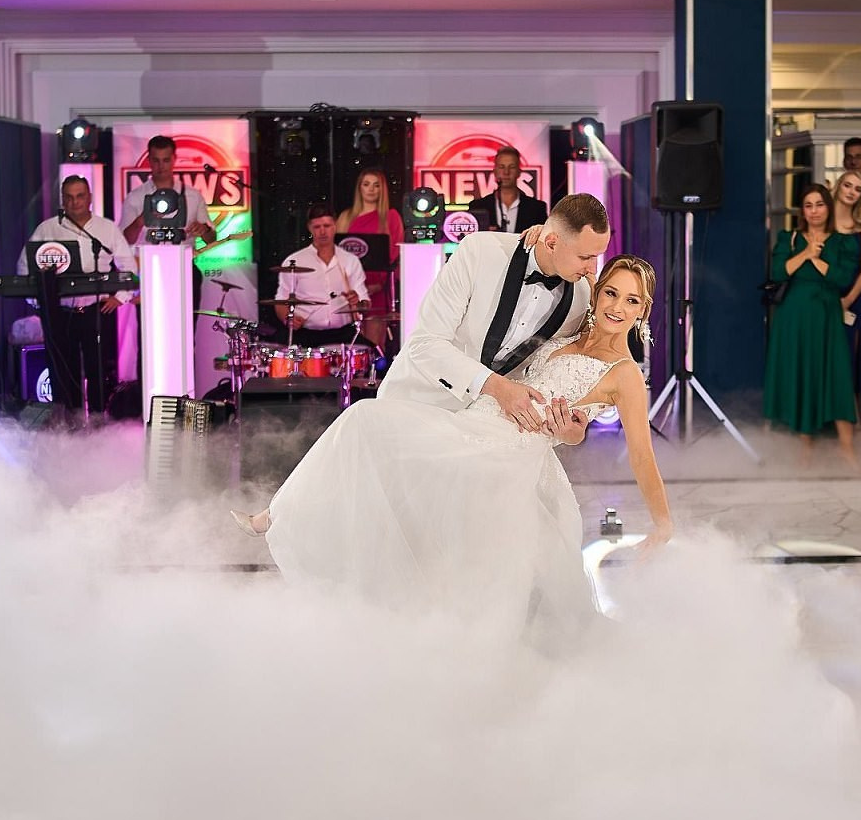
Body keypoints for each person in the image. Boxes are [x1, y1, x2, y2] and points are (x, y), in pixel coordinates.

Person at [239, 203, 654, 635]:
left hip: (491, 430)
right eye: (586, 256)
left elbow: (570, 382)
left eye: (596, 256)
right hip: (425, 400)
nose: (593, 267)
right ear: (551, 240)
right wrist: (496, 387)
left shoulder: (583, 296)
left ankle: (449, 636)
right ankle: (313, 551)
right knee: (383, 500)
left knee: (457, 548)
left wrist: (572, 430)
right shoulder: (480, 253)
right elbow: (426, 344)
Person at [17, 175, 137, 414]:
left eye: (80, 196)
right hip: (60, 312)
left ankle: (98, 421)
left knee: (98, 369)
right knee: (63, 370)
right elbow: (24, 267)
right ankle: (68, 421)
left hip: (97, 310)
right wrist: (40, 303)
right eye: (69, 197)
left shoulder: (106, 228)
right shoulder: (48, 228)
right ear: (62, 200)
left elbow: (130, 269)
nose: (75, 202)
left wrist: (120, 297)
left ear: (89, 198)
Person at [763, 184, 861, 467]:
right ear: (802, 211)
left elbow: (842, 278)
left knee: (837, 377)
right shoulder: (789, 238)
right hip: (793, 319)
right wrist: (806, 253)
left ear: (828, 207)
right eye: (809, 205)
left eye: (819, 204)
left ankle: (847, 449)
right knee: (802, 374)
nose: (815, 211)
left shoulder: (843, 242)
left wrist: (817, 260)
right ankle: (805, 448)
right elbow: (778, 272)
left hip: (827, 317)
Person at [273, 204, 372, 349]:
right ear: (309, 228)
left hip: (342, 334)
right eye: (317, 227)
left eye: (327, 225)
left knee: (373, 354)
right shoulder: (294, 261)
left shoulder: (350, 260)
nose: (322, 231)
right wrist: (288, 319)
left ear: (335, 226)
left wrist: (358, 302)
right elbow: (281, 300)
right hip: (306, 335)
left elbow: (365, 303)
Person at [336, 169, 404, 348]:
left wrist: (378, 285)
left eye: (376, 185)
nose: (371, 189)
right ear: (359, 188)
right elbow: (337, 254)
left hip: (378, 290)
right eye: (366, 184)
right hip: (349, 292)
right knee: (350, 347)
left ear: (383, 189)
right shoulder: (345, 217)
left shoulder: (391, 217)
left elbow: (395, 254)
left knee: (373, 347)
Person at [120, 135, 215, 247]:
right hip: (147, 257)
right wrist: (139, 222)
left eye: (166, 160)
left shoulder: (193, 196)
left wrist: (204, 229)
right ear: (149, 160)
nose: (161, 166)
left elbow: (211, 239)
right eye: (156, 160)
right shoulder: (135, 197)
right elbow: (124, 241)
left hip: (183, 257)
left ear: (174, 159)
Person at [832, 169, 861, 396]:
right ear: (839, 185)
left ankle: (852, 413)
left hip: (854, 300)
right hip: (824, 298)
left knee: (851, 360)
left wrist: (848, 300)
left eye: (858, 189)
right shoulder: (822, 221)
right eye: (847, 185)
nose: (851, 192)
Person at [467, 147, 548, 234]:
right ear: (494, 171)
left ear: (519, 171)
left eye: (512, 167)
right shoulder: (477, 206)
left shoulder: (537, 209)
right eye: (501, 167)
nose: (506, 172)